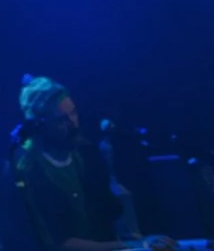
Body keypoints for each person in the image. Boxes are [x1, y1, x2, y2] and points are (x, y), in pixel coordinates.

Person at [12, 76, 179, 251]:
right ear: (39, 126)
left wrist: (144, 242)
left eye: (74, 113)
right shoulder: (30, 170)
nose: (73, 124)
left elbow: (113, 214)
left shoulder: (87, 154)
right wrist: (132, 246)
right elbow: (59, 244)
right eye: (61, 120)